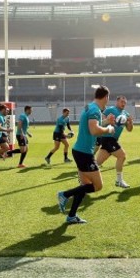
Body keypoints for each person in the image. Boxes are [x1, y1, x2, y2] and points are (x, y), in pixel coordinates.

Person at [57, 86, 115, 224]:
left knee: (85, 186)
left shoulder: (91, 107)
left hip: (80, 150)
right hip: (84, 153)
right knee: (98, 186)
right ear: (106, 97)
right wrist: (109, 128)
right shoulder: (95, 110)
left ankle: (71, 216)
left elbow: (92, 125)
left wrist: (107, 122)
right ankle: (65, 194)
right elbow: (94, 130)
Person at [96, 96, 133, 189]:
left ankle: (83, 174)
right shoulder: (110, 110)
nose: (123, 103)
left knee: (98, 163)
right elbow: (101, 122)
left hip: (113, 140)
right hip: (108, 138)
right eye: (121, 101)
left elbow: (129, 129)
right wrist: (108, 121)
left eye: (125, 102)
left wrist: (130, 122)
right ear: (117, 102)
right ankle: (119, 180)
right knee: (122, 156)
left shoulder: (125, 114)